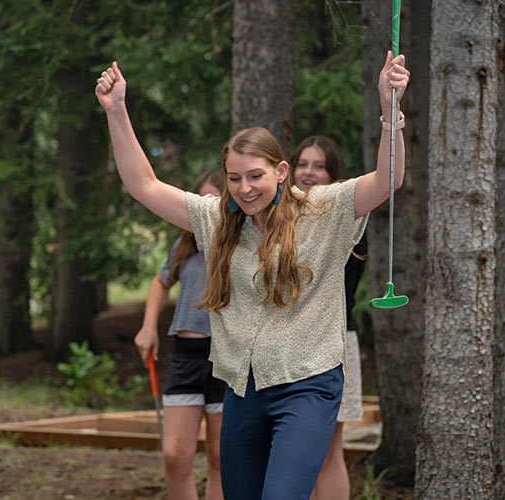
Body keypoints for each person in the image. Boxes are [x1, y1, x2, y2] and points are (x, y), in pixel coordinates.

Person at [95, 51, 409, 500]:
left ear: (281, 171)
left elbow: (388, 179)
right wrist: (117, 111)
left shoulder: (322, 210)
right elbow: (143, 185)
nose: (245, 188)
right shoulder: (217, 219)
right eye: (235, 178)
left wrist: (389, 109)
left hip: (308, 385)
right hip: (243, 390)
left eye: (256, 176)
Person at [134, 168, 226, 500]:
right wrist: (148, 327)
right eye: (199, 199)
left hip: (225, 358)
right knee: (174, 455)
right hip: (185, 356)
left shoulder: (238, 244)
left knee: (220, 457)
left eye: (213, 200)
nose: (205, 207)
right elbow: (161, 282)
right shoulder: (184, 244)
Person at [290, 136, 368, 500]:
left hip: (331, 342)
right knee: (298, 457)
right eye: (303, 164)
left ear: (333, 173)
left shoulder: (346, 217)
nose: (308, 172)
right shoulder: (280, 216)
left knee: (327, 454)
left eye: (318, 166)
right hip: (287, 347)